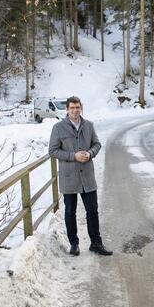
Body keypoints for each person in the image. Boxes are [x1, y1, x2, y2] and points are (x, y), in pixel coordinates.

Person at [48, 96, 112, 256]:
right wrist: (73, 156)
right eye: (72, 108)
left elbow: (97, 144)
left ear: (81, 108)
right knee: (70, 211)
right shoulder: (58, 128)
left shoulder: (88, 125)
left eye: (77, 107)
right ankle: (74, 244)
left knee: (92, 210)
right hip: (69, 176)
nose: (75, 110)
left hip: (87, 177)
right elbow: (53, 151)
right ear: (67, 110)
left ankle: (96, 243)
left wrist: (90, 154)